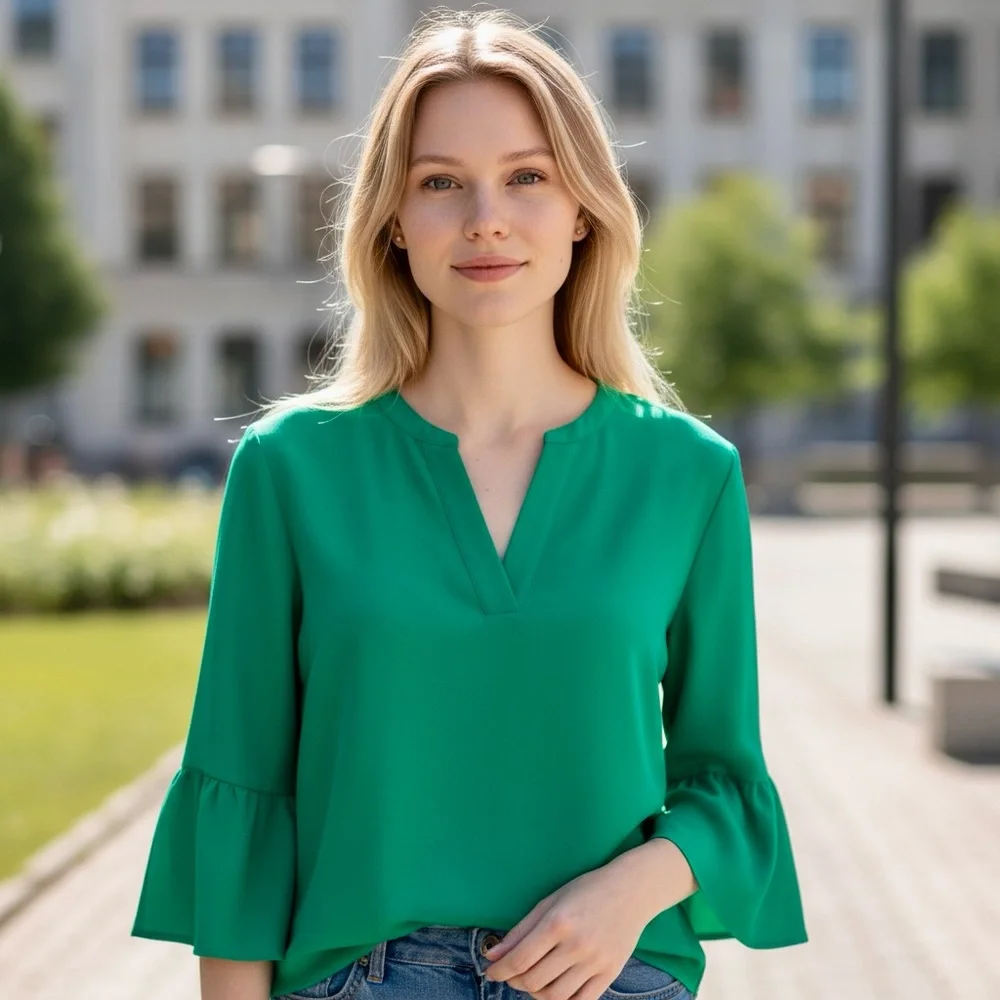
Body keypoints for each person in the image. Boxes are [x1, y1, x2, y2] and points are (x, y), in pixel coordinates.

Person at [130, 9, 808, 1000]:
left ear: (582, 209)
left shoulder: (686, 474)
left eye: (527, 177)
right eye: (441, 182)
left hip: (609, 978)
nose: (485, 217)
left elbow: (724, 783)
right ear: (394, 221)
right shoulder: (291, 468)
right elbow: (244, 788)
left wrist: (632, 889)